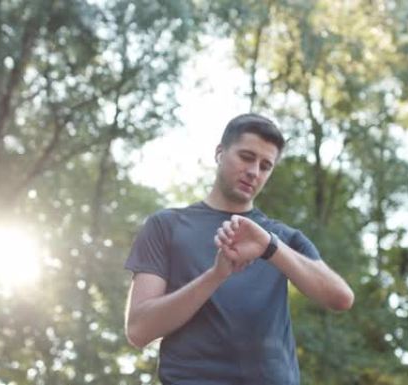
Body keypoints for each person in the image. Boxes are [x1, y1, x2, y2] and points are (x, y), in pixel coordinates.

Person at [124, 113, 355, 384]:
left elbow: (341, 298)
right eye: (246, 157)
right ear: (220, 153)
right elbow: (138, 330)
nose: (254, 172)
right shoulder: (166, 226)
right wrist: (216, 275)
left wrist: (270, 247)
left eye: (266, 165)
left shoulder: (281, 238)